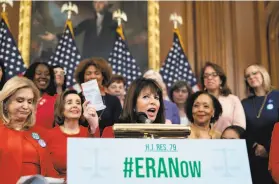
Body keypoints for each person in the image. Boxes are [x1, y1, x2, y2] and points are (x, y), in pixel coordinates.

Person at [0, 76, 58, 184]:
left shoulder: (40, 132)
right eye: (20, 100)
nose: (26, 106)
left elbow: (51, 170)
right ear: (5, 104)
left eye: (30, 102)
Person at [46, 89, 99, 179]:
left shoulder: (90, 132)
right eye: (69, 103)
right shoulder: (49, 135)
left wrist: (93, 124)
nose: (75, 105)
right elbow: (46, 170)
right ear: (61, 108)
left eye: (78, 103)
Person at [242, 64, 279, 184]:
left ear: (263, 74)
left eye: (255, 73)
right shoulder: (244, 103)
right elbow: (243, 129)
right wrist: (255, 146)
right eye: (248, 76)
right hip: (255, 156)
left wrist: (268, 148)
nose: (251, 77)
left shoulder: (277, 96)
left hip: (276, 154)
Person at [40, 1, 116, 59]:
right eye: (95, 2)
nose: (97, 5)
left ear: (106, 4)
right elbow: (74, 32)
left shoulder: (114, 22)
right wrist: (54, 37)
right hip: (90, 59)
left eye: (101, 2)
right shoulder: (88, 22)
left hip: (107, 60)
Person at [74, 57, 122, 134]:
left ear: (103, 77)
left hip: (107, 142)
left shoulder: (114, 101)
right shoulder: (76, 98)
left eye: (97, 73)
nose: (92, 76)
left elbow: (118, 127)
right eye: (88, 73)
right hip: (81, 141)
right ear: (83, 77)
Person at [200, 61, 246, 132]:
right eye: (206, 76)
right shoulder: (198, 100)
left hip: (228, 141)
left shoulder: (233, 100)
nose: (209, 78)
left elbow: (240, 127)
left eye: (214, 75)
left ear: (221, 80)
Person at [24, 60, 57, 129]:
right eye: (39, 73)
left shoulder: (56, 101)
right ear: (31, 76)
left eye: (47, 74)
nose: (43, 76)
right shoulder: (20, 99)